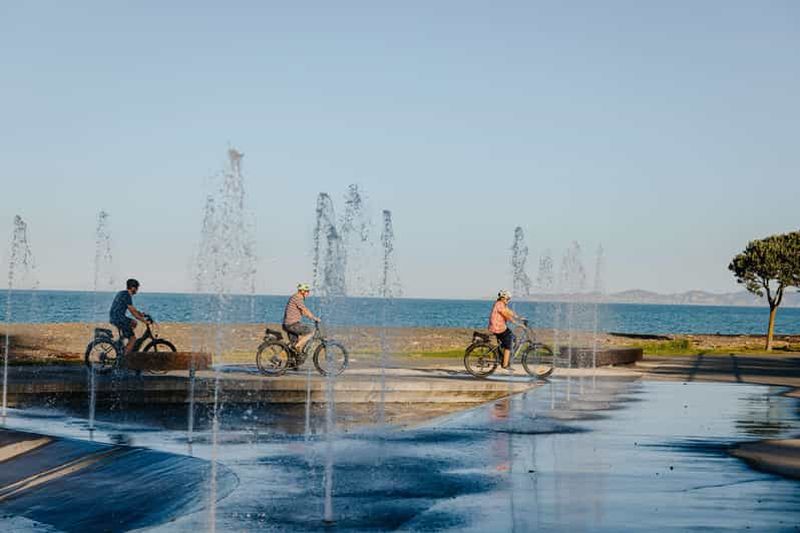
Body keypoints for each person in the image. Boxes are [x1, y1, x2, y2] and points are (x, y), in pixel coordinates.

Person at [109, 278, 150, 356]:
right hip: (119, 318)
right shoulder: (127, 295)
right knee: (133, 339)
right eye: (137, 288)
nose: (137, 290)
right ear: (133, 288)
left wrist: (141, 314)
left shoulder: (122, 293)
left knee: (133, 323)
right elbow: (133, 313)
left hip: (115, 317)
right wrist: (145, 321)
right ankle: (124, 359)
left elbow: (132, 309)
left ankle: (122, 341)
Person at [488, 289, 521, 369]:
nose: (508, 300)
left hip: (501, 327)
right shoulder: (499, 304)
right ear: (503, 298)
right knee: (508, 344)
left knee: (514, 338)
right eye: (508, 299)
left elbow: (509, 312)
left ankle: (502, 354)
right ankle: (505, 364)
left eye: (509, 299)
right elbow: (505, 314)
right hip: (498, 328)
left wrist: (519, 317)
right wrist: (516, 323)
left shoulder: (502, 304)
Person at [282, 283, 320, 351]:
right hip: (292, 324)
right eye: (307, 291)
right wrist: (314, 318)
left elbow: (302, 312)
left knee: (293, 347)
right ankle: (297, 346)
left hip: (288, 324)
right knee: (311, 331)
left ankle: (292, 359)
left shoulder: (296, 297)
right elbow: (304, 309)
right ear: (302, 291)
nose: (308, 293)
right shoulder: (298, 297)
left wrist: (310, 317)